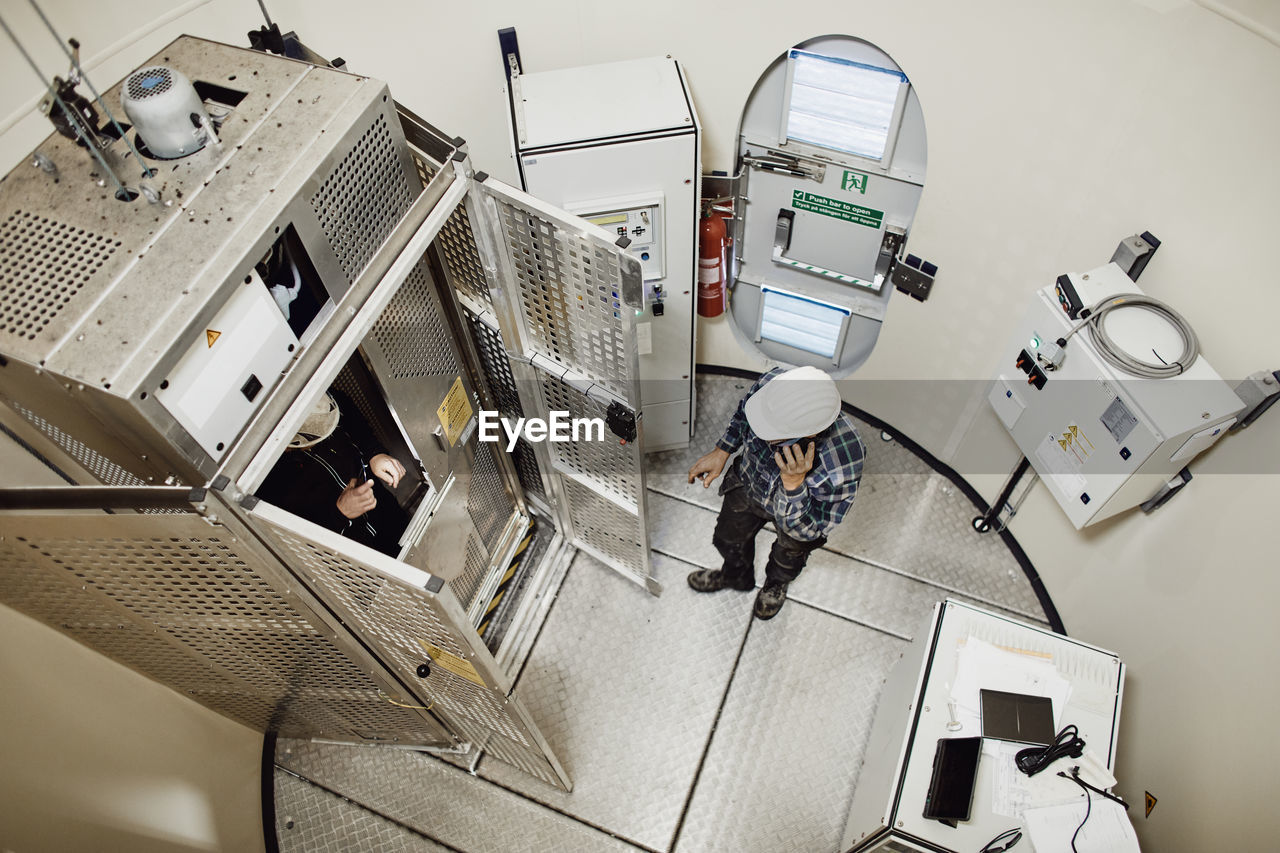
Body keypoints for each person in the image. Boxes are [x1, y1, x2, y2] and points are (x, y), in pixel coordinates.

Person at [686, 366, 865, 620]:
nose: (760, 433)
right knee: (728, 538)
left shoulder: (844, 457)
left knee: (789, 557)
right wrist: (722, 450)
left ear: (810, 434)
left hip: (797, 518)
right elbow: (744, 416)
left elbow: (812, 528)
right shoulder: (773, 384)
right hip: (749, 484)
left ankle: (775, 584)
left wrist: (793, 485)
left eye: (773, 434)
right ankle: (735, 577)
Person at [258, 389, 410, 557]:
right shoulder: (266, 482)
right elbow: (295, 548)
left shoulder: (317, 395)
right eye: (314, 441)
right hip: (355, 554)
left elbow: (350, 417)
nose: (323, 440)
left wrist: (375, 454)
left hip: (389, 517)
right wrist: (340, 513)